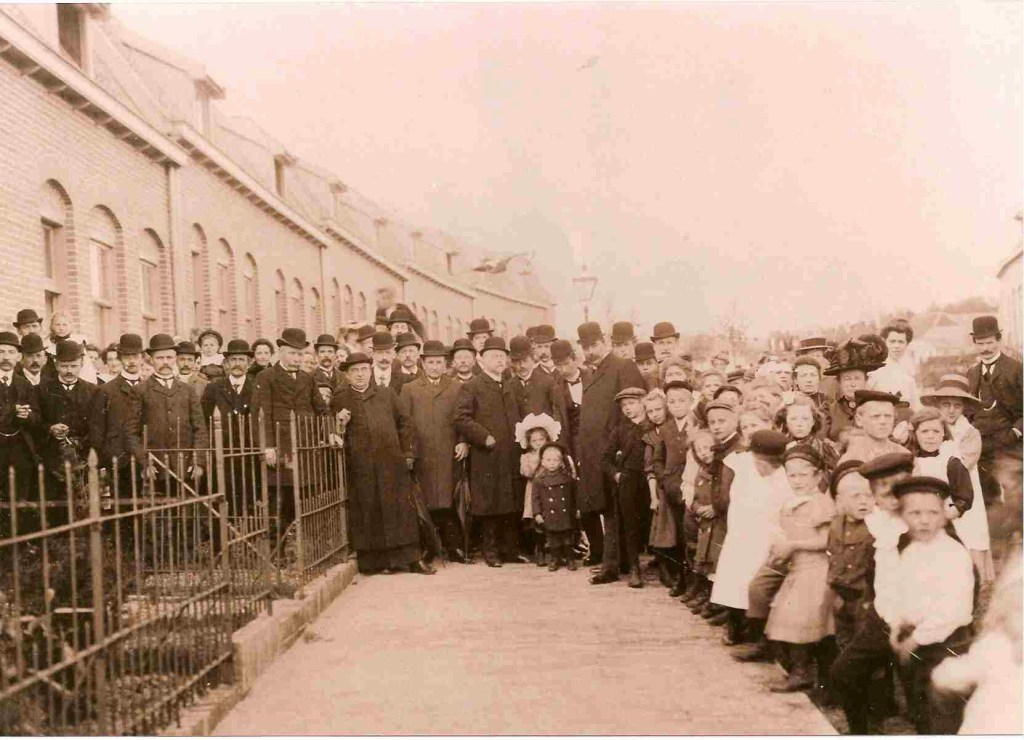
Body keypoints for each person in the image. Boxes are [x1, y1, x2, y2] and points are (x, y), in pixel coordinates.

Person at [882, 477, 975, 734]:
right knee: (919, 704)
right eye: (915, 513)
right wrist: (896, 626)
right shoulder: (910, 551)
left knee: (944, 710)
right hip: (915, 642)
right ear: (902, 516)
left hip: (947, 644)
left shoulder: (953, 554)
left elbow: (953, 610)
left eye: (933, 512)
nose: (924, 520)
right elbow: (900, 594)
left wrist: (917, 639)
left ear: (945, 515)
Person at [333, 352, 433, 575]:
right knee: (370, 511)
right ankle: (379, 562)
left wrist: (407, 453)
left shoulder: (386, 394)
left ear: (371, 372)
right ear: (347, 376)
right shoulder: (340, 399)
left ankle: (412, 559)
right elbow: (334, 434)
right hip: (361, 467)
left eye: (363, 370)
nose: (360, 375)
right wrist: (340, 424)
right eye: (354, 371)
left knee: (400, 512)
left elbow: (405, 423)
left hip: (392, 463)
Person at [760, 445, 837, 692]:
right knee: (787, 619)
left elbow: (827, 542)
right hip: (797, 570)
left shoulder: (821, 504)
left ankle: (806, 673)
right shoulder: (790, 504)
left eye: (803, 475)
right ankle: (801, 670)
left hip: (816, 571)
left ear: (817, 476)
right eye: (791, 475)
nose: (797, 481)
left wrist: (793, 545)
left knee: (803, 622)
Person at [710, 429, 791, 644]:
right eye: (761, 464)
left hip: (769, 536)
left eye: (772, 465)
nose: (766, 469)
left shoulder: (784, 477)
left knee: (759, 585)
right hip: (741, 532)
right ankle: (733, 623)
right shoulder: (742, 464)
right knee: (734, 581)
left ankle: (758, 631)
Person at [576, 322, 645, 570]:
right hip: (596, 452)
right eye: (585, 347)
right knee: (606, 508)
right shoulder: (591, 372)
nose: (590, 351)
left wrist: (620, 448)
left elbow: (632, 412)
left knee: (618, 508)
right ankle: (615, 560)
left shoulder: (623, 366)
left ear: (604, 340)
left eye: (594, 344)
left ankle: (620, 561)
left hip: (617, 451)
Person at [398, 340, 470, 563]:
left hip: (449, 451)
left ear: (445, 364)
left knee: (449, 499)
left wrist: (463, 441)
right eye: (430, 362)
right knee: (426, 500)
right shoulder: (409, 389)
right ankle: (429, 547)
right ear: (423, 363)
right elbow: (405, 423)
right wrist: (409, 452)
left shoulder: (456, 387)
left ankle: (454, 546)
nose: (435, 367)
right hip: (423, 454)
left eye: (439, 362)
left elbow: (464, 418)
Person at [454, 336, 522, 567]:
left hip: (511, 453)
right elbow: (461, 418)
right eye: (494, 356)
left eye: (503, 356)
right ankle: (490, 552)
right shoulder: (472, 386)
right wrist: (484, 437)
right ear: (481, 360)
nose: (500, 360)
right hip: (488, 454)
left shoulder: (510, 384)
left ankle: (510, 550)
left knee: (510, 501)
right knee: (490, 504)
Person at [251, 328, 329, 526]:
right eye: (293, 353)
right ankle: (278, 546)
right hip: (281, 447)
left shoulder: (307, 378)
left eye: (300, 354)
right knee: (281, 499)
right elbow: (261, 415)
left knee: (306, 496)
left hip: (305, 445)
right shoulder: (266, 377)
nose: (297, 358)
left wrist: (332, 432)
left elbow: (322, 409)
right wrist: (267, 447)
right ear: (281, 352)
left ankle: (304, 545)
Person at [921, 374, 994, 582]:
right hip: (935, 487)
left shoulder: (969, 433)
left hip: (962, 490)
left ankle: (971, 580)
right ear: (937, 405)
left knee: (968, 533)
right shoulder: (931, 429)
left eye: (956, 405)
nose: (951, 410)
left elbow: (962, 465)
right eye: (945, 405)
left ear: (964, 408)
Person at [965, 315, 1023, 509]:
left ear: (999, 340)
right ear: (974, 344)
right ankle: (997, 537)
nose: (985, 348)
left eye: (989, 342)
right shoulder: (972, 372)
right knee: (988, 495)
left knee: (1015, 492)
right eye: (980, 343)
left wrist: (1016, 432)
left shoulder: (1016, 369)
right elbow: (967, 409)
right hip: (981, 445)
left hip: (1009, 443)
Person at [595, 387, 649, 588]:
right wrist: (616, 475)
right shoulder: (620, 430)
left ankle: (666, 567)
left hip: (651, 480)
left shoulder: (652, 424)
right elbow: (605, 458)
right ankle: (635, 568)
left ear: (643, 401)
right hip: (628, 481)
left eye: (632, 403)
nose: (627, 408)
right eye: (624, 405)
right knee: (630, 525)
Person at [136, 334, 208, 486]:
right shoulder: (140, 390)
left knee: (188, 506)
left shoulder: (187, 390)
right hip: (155, 467)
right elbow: (131, 431)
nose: (165, 362)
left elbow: (200, 429)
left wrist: (199, 461)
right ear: (151, 360)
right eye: (160, 358)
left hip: (186, 466)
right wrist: (144, 462)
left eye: (169, 357)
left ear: (175, 358)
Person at [38, 340, 98, 510]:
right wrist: (50, 429)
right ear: (56, 364)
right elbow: (36, 422)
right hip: (52, 461)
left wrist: (82, 443)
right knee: (56, 507)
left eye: (73, 366)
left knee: (82, 505)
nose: (69, 371)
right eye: (64, 366)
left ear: (81, 364)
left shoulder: (93, 391)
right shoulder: (42, 390)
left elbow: (97, 426)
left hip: (83, 458)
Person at [825, 461, 875, 653]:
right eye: (856, 496)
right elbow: (832, 556)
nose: (863, 501)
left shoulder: (875, 529)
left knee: (864, 644)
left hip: (864, 598)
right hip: (841, 595)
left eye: (869, 496)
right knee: (843, 640)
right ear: (839, 501)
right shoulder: (836, 525)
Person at [650, 380, 694, 596]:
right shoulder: (665, 429)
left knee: (690, 536)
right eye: (672, 401)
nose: (677, 405)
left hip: (692, 488)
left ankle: (693, 581)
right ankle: (680, 579)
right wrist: (664, 478)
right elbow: (658, 459)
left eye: (682, 401)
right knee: (676, 535)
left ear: (691, 402)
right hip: (671, 488)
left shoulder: (696, 426)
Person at [201, 339, 255, 512]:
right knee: (222, 498)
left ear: (249, 363)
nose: (237, 364)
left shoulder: (257, 387)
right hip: (221, 452)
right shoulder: (214, 388)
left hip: (249, 453)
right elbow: (205, 419)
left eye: (241, 360)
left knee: (248, 498)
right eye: (233, 360)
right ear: (226, 363)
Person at [89, 333, 145, 492]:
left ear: (142, 358)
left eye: (135, 356)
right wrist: (107, 457)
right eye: (127, 357)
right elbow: (97, 429)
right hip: (119, 460)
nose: (132, 361)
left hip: (147, 458)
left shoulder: (149, 387)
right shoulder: (106, 390)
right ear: (120, 358)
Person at [824, 335, 888, 450]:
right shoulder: (829, 409)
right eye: (847, 379)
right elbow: (820, 437)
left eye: (857, 378)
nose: (852, 384)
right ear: (840, 382)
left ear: (866, 380)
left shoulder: (882, 407)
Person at [515, 412, 563, 566]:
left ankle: (557, 551)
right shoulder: (527, 456)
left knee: (555, 520)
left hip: (553, 491)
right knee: (537, 522)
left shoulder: (553, 453)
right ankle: (540, 550)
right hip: (534, 492)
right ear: (529, 442)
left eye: (541, 439)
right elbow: (526, 473)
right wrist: (537, 461)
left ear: (547, 439)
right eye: (534, 440)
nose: (538, 443)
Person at [0, 331, 39, 503]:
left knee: (19, 500)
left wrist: (27, 415)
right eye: (1, 352)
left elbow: (37, 417)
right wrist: (10, 412)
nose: (6, 357)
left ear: (18, 356)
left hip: (20, 450)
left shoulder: (25, 384)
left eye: (11, 352)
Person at [642, 389, 675, 587]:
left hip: (677, 482)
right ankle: (665, 570)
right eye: (651, 411)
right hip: (661, 487)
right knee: (662, 530)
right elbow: (650, 468)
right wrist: (653, 496)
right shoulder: (650, 437)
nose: (655, 414)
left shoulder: (673, 428)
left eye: (658, 409)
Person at [682, 430, 718, 611]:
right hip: (703, 520)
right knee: (700, 556)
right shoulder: (701, 470)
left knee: (713, 560)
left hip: (716, 520)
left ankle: (712, 596)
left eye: (707, 447)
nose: (704, 452)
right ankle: (702, 590)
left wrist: (714, 508)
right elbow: (694, 495)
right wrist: (697, 508)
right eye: (700, 449)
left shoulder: (719, 469)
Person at [531, 442, 578, 572]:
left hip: (565, 514)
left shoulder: (567, 478)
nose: (552, 463)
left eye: (555, 460)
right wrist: (537, 514)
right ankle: (554, 559)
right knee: (553, 539)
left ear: (561, 462)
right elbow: (535, 499)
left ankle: (570, 559)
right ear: (542, 462)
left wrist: (577, 510)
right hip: (549, 514)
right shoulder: (539, 480)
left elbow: (574, 496)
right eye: (548, 460)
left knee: (567, 538)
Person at [839, 390, 910, 464]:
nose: (883, 421)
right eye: (876, 416)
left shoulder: (904, 456)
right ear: (859, 420)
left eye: (888, 416)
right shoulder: (850, 460)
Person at [508, 336, 565, 428]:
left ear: (532, 358)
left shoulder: (548, 382)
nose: (521, 365)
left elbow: (558, 414)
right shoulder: (509, 386)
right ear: (512, 363)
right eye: (517, 362)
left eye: (525, 360)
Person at [868, 319, 920, 415]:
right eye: (892, 341)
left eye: (901, 342)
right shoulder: (874, 370)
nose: (896, 346)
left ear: (907, 344)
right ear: (884, 342)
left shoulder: (908, 372)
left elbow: (915, 406)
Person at [777, 395, 839, 472]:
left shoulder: (825, 449)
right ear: (785, 422)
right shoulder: (778, 448)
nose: (799, 424)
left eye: (805, 418)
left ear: (813, 421)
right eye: (793, 418)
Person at [312, 334, 345, 400]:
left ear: (335, 355)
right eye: (322, 351)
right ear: (317, 355)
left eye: (330, 352)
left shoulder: (344, 376)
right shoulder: (310, 377)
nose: (326, 355)